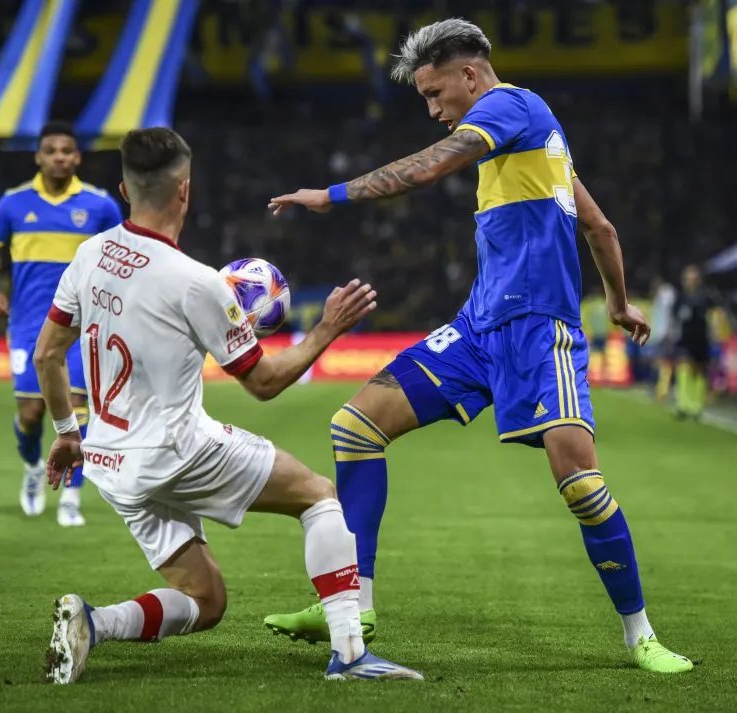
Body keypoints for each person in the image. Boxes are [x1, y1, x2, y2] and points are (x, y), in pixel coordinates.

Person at [265, 19, 692, 673]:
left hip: (540, 330)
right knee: (355, 426)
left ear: (470, 75)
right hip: (477, 328)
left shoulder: (512, 106)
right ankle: (357, 603)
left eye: (436, 95)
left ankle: (641, 635)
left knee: (579, 483)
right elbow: (599, 226)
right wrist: (618, 301)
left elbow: (433, 168)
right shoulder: (532, 140)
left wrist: (334, 194)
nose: (435, 112)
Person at [35, 127, 422, 684]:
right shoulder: (196, 283)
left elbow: (48, 353)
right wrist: (325, 330)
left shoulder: (89, 254)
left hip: (110, 461)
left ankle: (91, 624)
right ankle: (352, 655)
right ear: (185, 191)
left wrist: (69, 433)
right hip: (178, 451)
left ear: (124, 189)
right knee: (318, 497)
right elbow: (263, 382)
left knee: (204, 600)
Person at [0, 121, 123, 526]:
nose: (59, 156)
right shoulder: (13, 203)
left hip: (82, 325)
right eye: (51, 150)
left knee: (77, 408)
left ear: (77, 157)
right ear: (39, 156)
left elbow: (121, 255)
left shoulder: (99, 205)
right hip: (28, 324)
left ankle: (71, 495)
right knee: (30, 412)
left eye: (66, 150)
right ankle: (31, 468)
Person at [671, 266, 716, 419]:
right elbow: (674, 317)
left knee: (699, 372)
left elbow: (714, 316)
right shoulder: (680, 297)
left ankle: (697, 406)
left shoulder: (706, 297)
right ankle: (683, 405)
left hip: (701, 339)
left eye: (694, 278)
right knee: (683, 369)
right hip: (684, 338)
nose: (691, 281)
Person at [649, 277, 677, 405]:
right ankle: (662, 387)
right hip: (661, 333)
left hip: (665, 334)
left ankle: (663, 389)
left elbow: (668, 316)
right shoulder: (661, 297)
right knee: (662, 362)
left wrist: (666, 332)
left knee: (664, 361)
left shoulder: (666, 294)